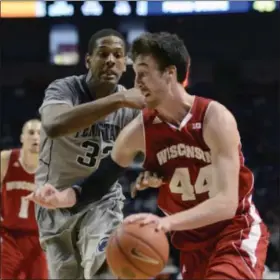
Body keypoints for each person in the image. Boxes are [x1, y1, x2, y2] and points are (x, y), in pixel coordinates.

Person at [28, 32, 270, 279]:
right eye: (135, 74)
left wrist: (165, 223)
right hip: (191, 244)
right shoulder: (139, 129)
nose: (137, 82)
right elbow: (102, 179)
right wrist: (65, 197)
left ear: (169, 74)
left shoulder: (213, 117)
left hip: (234, 233)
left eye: (143, 72)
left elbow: (226, 204)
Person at [31, 28, 146, 279]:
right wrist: (118, 100)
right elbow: (53, 125)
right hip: (53, 198)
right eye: (103, 54)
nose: (110, 60)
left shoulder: (130, 107)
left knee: (106, 268)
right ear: (88, 60)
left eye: (118, 55)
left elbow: (152, 149)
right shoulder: (65, 89)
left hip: (101, 199)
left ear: (125, 63)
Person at [0, 119, 48, 280]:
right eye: (31, 132)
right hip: (8, 236)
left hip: (39, 239)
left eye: (40, 133)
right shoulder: (6, 159)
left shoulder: (51, 169)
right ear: (22, 137)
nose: (35, 137)